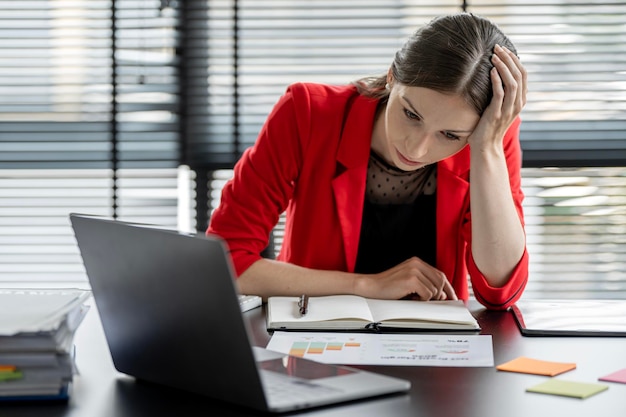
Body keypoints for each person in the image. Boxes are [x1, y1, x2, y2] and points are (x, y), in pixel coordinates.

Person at [207, 13, 529, 310]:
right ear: (392, 76)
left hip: (434, 353)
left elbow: (500, 290)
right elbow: (228, 260)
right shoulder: (305, 114)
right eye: (411, 114)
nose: (416, 149)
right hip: (314, 343)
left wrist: (487, 148)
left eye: (449, 135)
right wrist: (366, 286)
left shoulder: (488, 140)